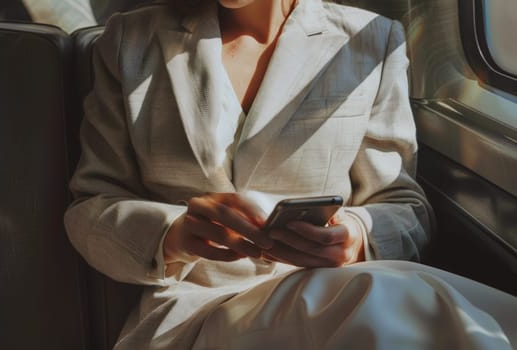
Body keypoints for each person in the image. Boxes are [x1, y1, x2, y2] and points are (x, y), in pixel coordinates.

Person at [64, 0, 517, 349]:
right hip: (195, 312)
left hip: (333, 291)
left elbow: (404, 205)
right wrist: (173, 235)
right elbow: (90, 207)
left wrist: (356, 235)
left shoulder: (370, 41)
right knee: (384, 301)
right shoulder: (129, 42)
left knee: (401, 307)